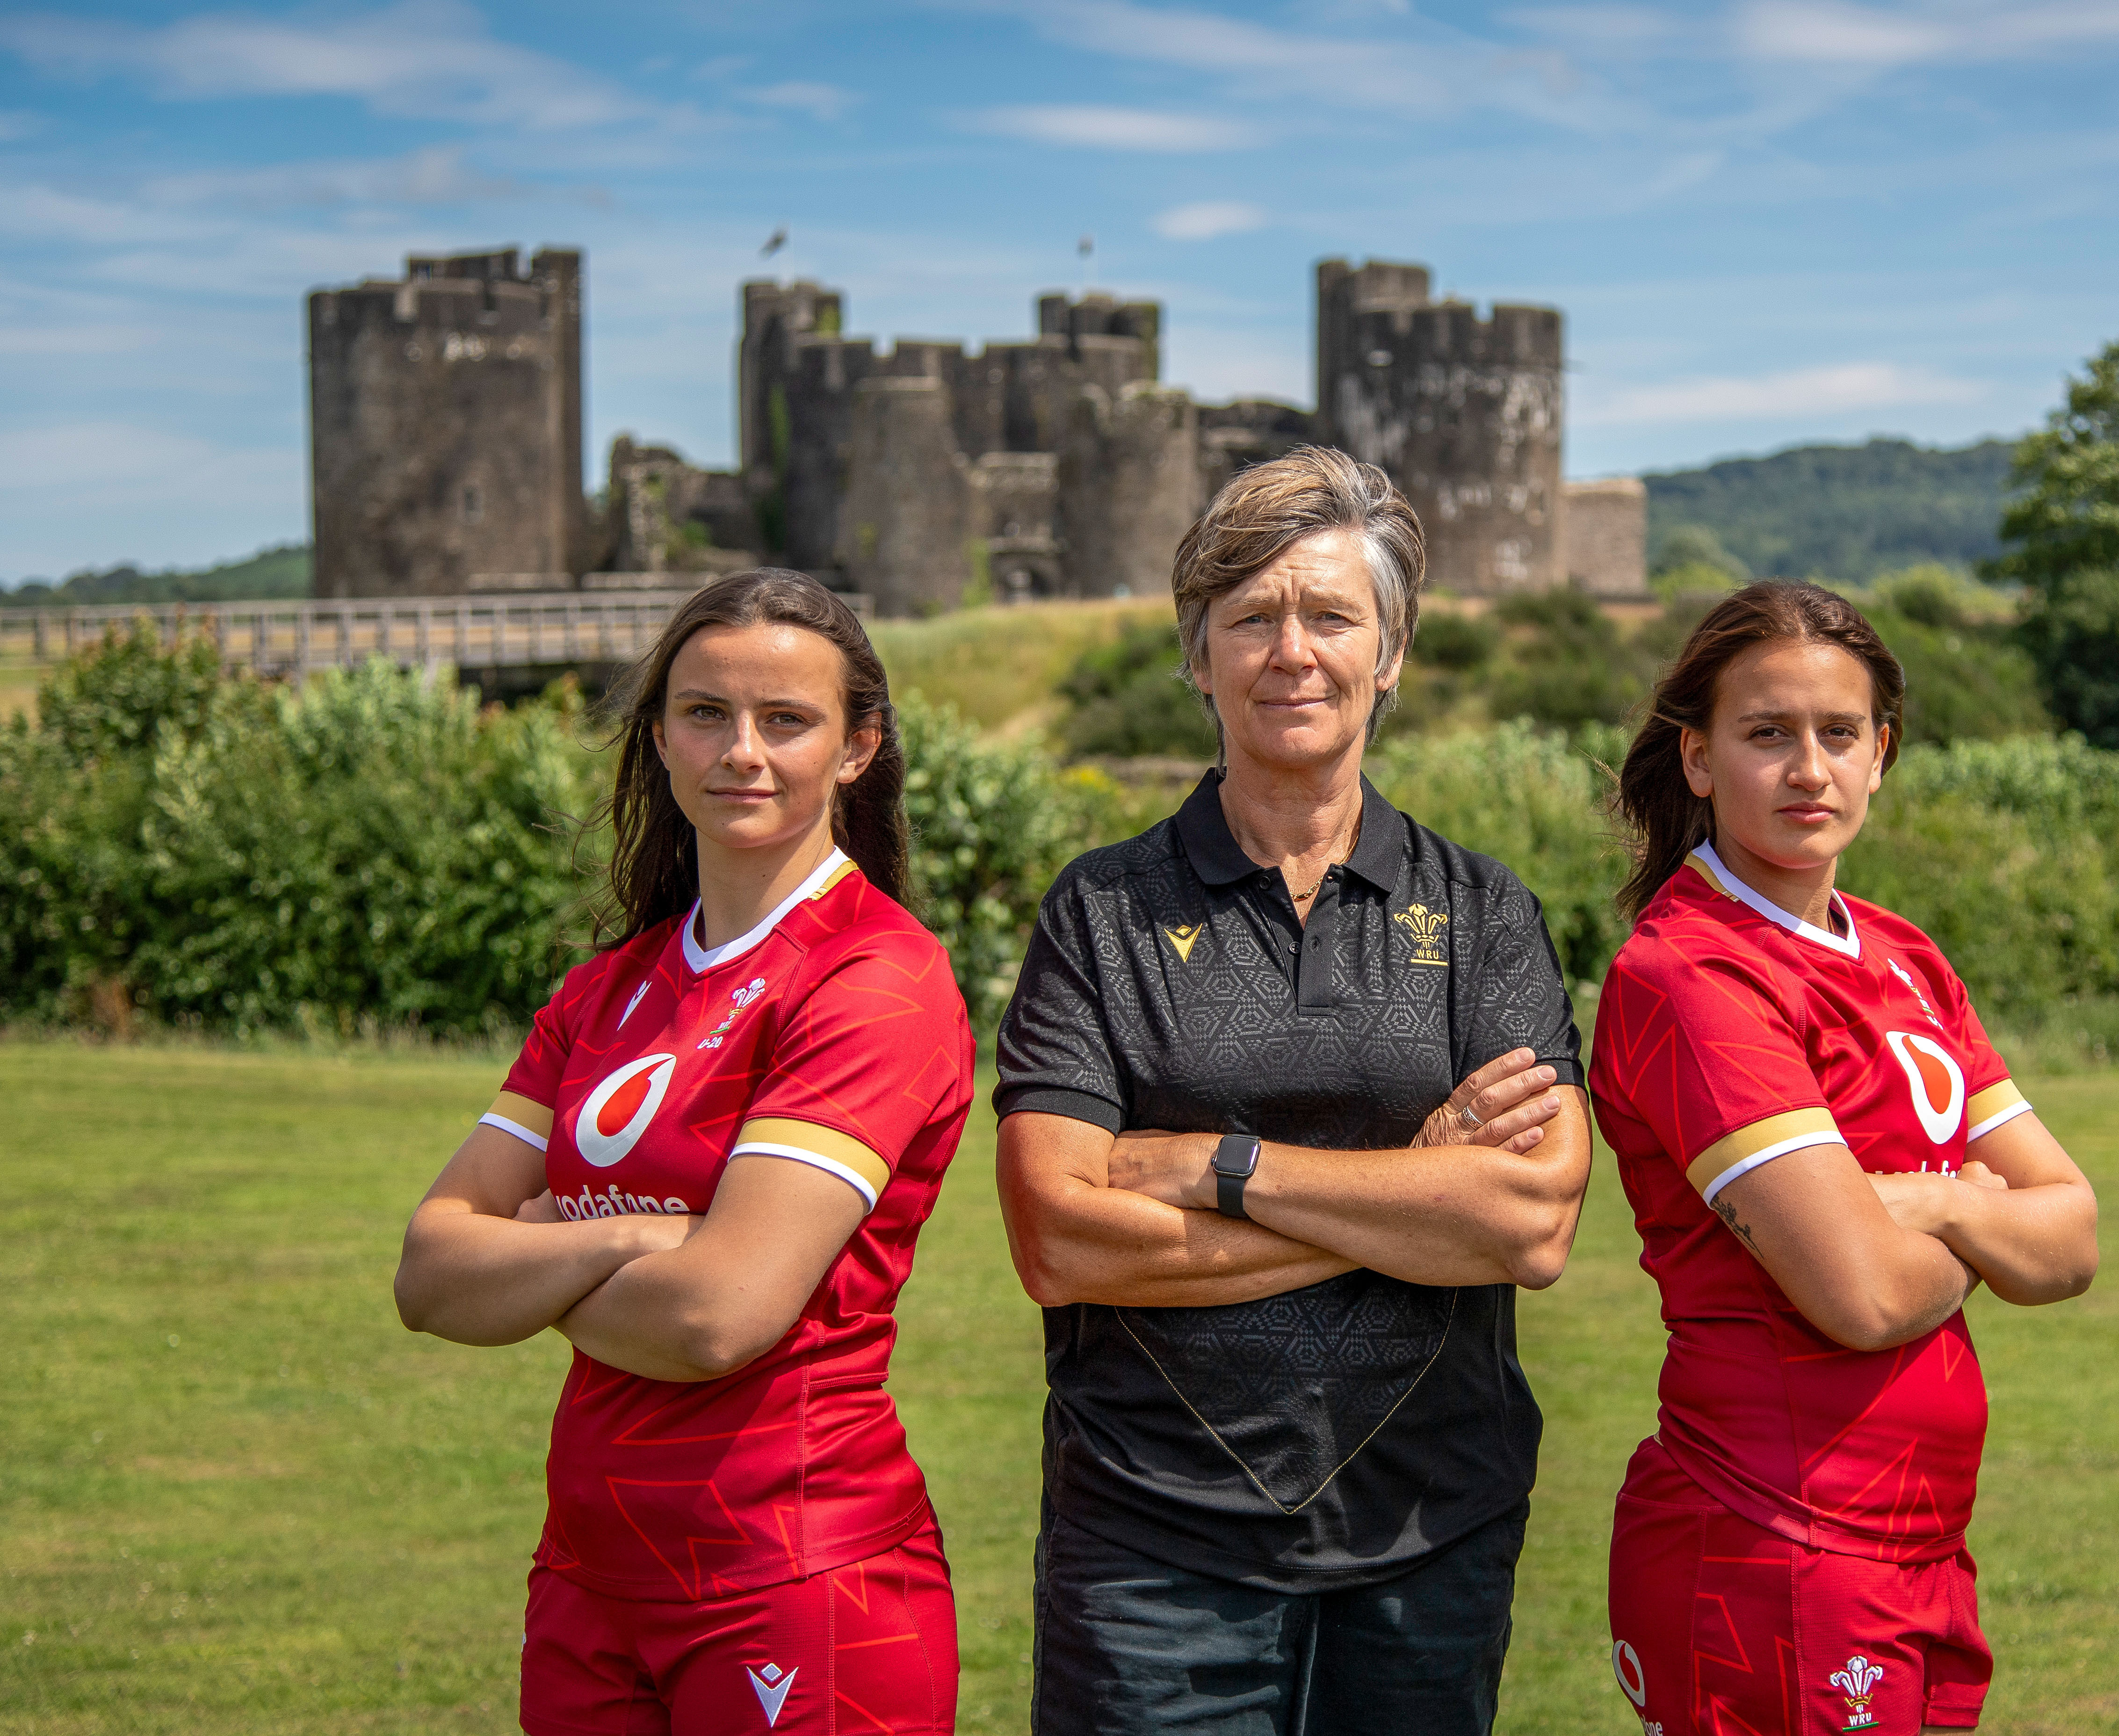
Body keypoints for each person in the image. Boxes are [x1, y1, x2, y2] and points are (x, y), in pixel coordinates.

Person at [993, 448, 1594, 1736]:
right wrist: (1412, 1203)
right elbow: (1057, 1234)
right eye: (1251, 619)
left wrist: (1227, 1167)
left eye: (1331, 617)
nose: (1292, 652)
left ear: (1390, 655)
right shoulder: (1100, 911)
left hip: (1432, 1532)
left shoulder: (1483, 914)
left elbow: (1531, 1225)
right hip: (1152, 1551)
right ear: (1196, 655)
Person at [392, 569, 973, 1736]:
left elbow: (719, 1313)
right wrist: (623, 1237)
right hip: (589, 1576)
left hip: (792, 1576)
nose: (741, 751)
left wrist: (542, 1253)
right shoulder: (606, 985)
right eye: (706, 712)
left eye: (787, 719)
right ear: (659, 735)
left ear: (857, 747)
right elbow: (430, 1272)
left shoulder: (874, 974)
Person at [1591, 582, 2100, 1736]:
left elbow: (2072, 1235)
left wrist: (1928, 1202)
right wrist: (1979, 1215)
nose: (1808, 766)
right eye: (1767, 732)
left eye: (1838, 733)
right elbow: (1862, 1293)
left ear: (1882, 754)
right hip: (1776, 1544)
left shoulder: (1906, 954)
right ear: (1701, 758)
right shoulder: (1692, 975)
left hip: (1920, 1549)